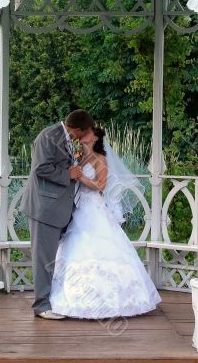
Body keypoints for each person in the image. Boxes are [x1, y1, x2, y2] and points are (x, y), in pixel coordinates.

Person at [49, 127, 162, 319]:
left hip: (93, 208)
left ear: (96, 138)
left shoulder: (100, 159)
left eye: (88, 133)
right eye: (82, 133)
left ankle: (112, 301)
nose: (83, 135)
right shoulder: (78, 157)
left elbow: (101, 185)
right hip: (78, 208)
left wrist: (81, 176)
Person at [20, 109, 95, 319]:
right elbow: (40, 169)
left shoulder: (63, 136)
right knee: (44, 259)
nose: (84, 137)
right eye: (84, 132)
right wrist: (68, 173)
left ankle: (49, 299)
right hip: (44, 208)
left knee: (50, 257)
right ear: (78, 129)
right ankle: (42, 306)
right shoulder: (49, 136)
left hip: (56, 208)